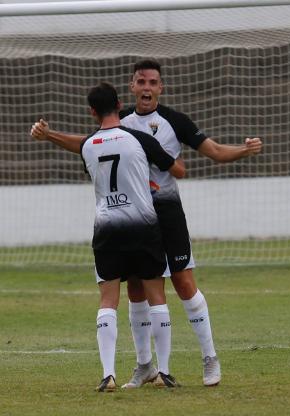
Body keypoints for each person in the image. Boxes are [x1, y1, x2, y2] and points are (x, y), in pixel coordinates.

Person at [30, 59, 262, 387]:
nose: (147, 88)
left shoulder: (174, 121)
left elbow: (214, 151)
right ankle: (144, 365)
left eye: (153, 82)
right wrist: (50, 134)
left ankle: (209, 356)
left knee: (183, 282)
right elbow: (85, 143)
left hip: (166, 212)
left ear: (161, 88)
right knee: (136, 288)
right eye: (141, 82)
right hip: (133, 218)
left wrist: (244, 151)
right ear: (131, 88)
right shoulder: (118, 124)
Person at [71, 82, 185, 391]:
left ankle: (108, 374)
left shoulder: (87, 145)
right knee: (156, 297)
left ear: (92, 112)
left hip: (107, 228)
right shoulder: (139, 138)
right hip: (144, 226)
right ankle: (163, 371)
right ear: (120, 104)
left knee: (108, 300)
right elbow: (173, 168)